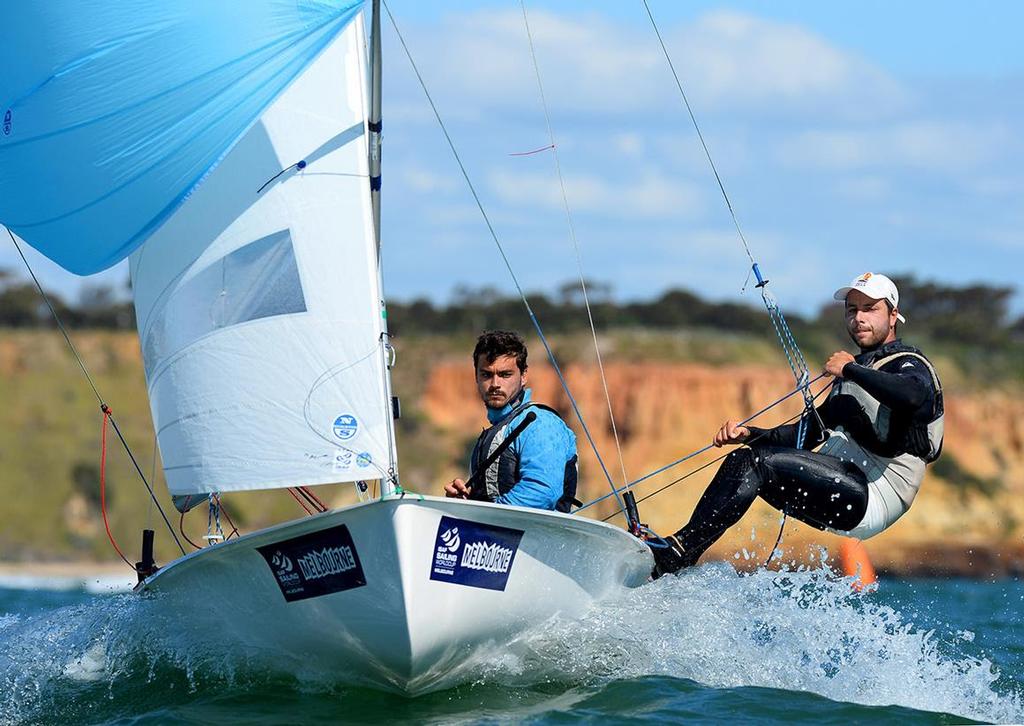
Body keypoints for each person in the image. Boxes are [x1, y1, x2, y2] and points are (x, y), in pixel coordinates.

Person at [651, 272, 944, 576]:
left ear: (893, 315)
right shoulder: (857, 374)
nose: (859, 317)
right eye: (852, 309)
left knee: (757, 463)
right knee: (745, 461)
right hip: (846, 485)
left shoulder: (909, 364)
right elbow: (805, 435)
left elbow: (912, 396)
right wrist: (750, 434)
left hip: (877, 495)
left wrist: (850, 369)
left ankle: (678, 553)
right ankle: (674, 562)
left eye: (870, 309)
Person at [443, 330, 579, 511]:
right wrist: (467, 500)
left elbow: (541, 493)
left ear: (523, 376)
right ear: (476, 376)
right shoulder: (496, 430)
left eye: (505, 374)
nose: (495, 384)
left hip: (539, 537)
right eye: (486, 374)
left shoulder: (540, 424)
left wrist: (482, 513)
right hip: (495, 536)